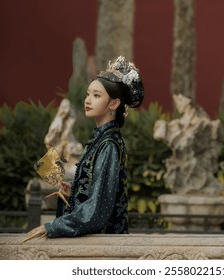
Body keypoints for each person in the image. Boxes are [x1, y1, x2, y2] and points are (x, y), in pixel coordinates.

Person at [24, 56, 145, 241]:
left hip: (102, 245)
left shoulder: (109, 145)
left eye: (97, 95)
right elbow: (99, 189)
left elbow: (97, 210)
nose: (88, 100)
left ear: (114, 103)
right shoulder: (101, 140)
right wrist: (75, 190)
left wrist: (53, 227)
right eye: (88, 94)